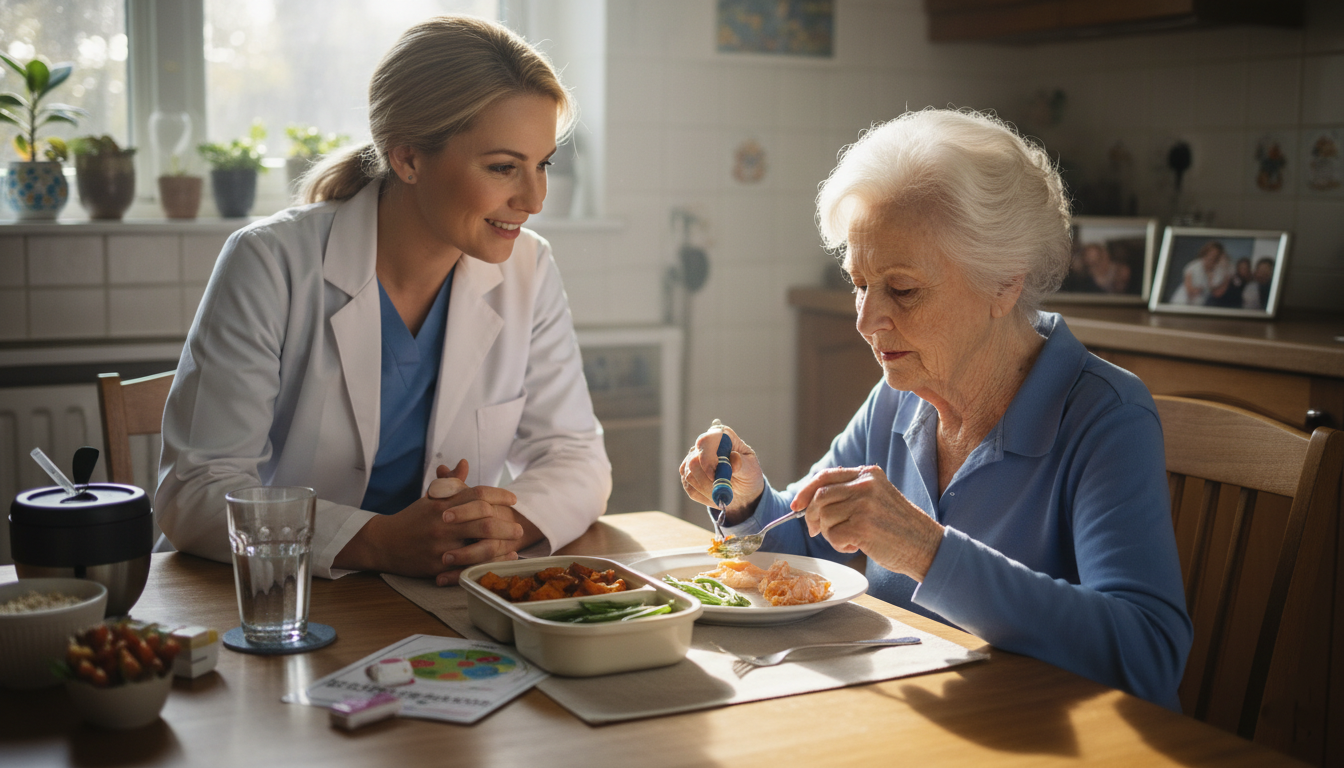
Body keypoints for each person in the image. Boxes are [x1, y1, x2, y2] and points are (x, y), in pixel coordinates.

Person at [680, 109, 1191, 711]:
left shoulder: (1107, 418)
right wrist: (746, 498)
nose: (867, 321)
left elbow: (1148, 656)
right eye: (858, 283)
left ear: (1003, 282)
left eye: (902, 289)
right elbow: (811, 548)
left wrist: (927, 551)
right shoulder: (901, 393)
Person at [156, 16, 612, 585]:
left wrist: (498, 530)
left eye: (542, 164)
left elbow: (576, 457)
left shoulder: (529, 266)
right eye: (503, 167)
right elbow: (194, 491)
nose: (535, 199)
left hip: (442, 598)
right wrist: (377, 542)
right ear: (409, 159)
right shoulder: (271, 261)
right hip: (285, 596)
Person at [1168, 240, 1231, 306]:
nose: (1212, 255)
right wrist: (1198, 290)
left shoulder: (1219, 271)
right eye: (1211, 252)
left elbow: (1216, 293)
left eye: (1216, 254)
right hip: (1183, 300)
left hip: (1201, 304)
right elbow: (1189, 288)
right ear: (1206, 252)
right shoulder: (1193, 266)